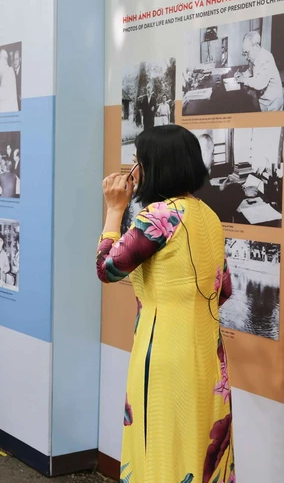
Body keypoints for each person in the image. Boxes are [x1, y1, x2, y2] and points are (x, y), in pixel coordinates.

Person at [95, 124, 234, 482]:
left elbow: (107, 269)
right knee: (196, 444)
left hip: (163, 354)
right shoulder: (210, 217)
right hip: (206, 354)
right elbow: (225, 289)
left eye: (138, 162)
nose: (134, 171)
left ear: (153, 166)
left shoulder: (158, 216)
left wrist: (114, 210)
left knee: (160, 442)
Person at [235, 30, 284, 112]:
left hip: (273, 102)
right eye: (244, 53)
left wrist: (243, 79)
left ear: (256, 47)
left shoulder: (266, 58)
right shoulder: (254, 57)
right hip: (263, 100)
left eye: (247, 53)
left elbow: (260, 83)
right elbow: (251, 70)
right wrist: (242, 74)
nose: (245, 57)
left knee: (272, 124)